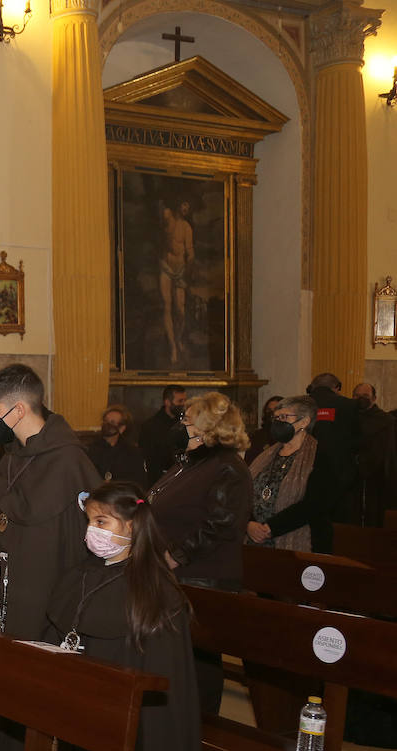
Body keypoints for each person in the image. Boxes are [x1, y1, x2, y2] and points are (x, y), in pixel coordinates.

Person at [43, 481, 206, 751]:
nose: (91, 531)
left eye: (102, 521)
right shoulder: (84, 571)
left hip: (128, 708)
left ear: (132, 526)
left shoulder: (154, 590)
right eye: (89, 521)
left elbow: (163, 673)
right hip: (82, 697)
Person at [147, 392, 252, 715]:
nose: (181, 426)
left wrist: (175, 556)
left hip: (202, 578)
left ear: (208, 429)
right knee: (172, 659)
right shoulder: (190, 462)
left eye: (187, 421)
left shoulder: (227, 468)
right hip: (172, 575)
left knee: (198, 662)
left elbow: (221, 524)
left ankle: (200, 731)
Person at [0, 363, 100, 640]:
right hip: (6, 576)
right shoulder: (11, 456)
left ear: (18, 410)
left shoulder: (68, 459)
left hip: (45, 584)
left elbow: (78, 533)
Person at [247, 395, 338, 553]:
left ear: (304, 422)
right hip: (255, 541)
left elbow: (314, 504)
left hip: (298, 542)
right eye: (275, 418)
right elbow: (243, 493)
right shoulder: (266, 455)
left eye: (284, 417)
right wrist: (249, 523)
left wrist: (271, 527)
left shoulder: (320, 456)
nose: (277, 422)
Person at [307, 372, 361, 524]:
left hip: (307, 473)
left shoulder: (302, 405)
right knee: (340, 524)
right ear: (336, 387)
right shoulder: (349, 405)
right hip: (341, 475)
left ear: (312, 387)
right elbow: (357, 439)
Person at [352, 383, 396, 525]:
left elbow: (388, 451)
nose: (361, 399)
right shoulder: (347, 417)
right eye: (357, 396)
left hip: (377, 478)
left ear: (374, 398)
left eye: (365, 396)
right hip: (351, 477)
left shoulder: (386, 420)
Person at [158, 201, 194, 365]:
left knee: (180, 309)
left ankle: (178, 339)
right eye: (183, 204)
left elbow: (190, 253)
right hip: (166, 268)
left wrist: (186, 272)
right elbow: (160, 241)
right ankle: (173, 347)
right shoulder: (167, 217)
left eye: (188, 206)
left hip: (179, 271)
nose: (185, 208)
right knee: (167, 305)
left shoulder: (186, 227)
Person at [85, 404, 148, 489]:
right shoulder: (91, 449)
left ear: (122, 428)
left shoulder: (132, 453)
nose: (107, 425)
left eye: (112, 422)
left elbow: (138, 483)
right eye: (105, 421)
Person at [139, 384, 187, 484]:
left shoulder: (186, 423)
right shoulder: (151, 426)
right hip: (160, 478)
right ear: (167, 402)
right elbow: (148, 458)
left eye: (184, 400)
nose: (183, 404)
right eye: (180, 401)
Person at [245, 394, 284, 465]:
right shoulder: (256, 436)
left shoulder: (289, 435)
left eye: (275, 409)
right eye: (269, 410)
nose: (272, 414)